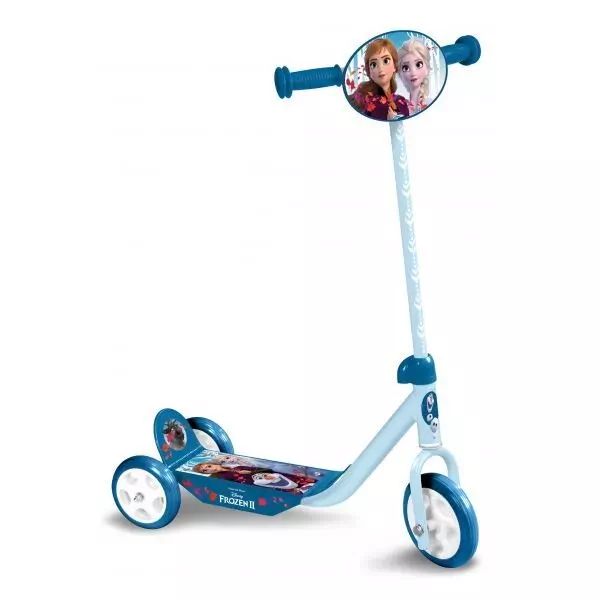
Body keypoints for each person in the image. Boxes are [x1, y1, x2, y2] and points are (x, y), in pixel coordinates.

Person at [348, 38, 409, 121]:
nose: (380, 68)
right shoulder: (362, 97)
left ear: (394, 66)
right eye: (373, 64)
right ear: (369, 71)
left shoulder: (401, 101)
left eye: (386, 61)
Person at [398, 39, 431, 115]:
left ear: (427, 68)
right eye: (406, 68)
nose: (413, 73)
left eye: (418, 65)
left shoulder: (431, 103)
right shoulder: (399, 107)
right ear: (400, 74)